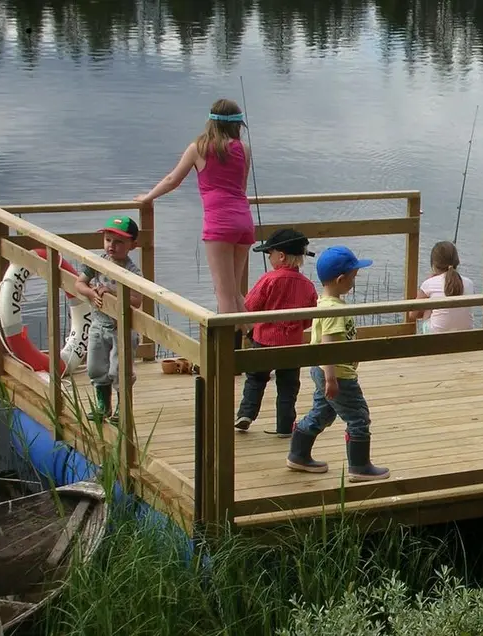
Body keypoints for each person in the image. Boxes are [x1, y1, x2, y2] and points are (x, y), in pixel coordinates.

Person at [134, 98, 254, 350]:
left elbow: (172, 180)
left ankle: (229, 357)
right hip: (243, 221)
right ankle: (259, 340)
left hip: (219, 225)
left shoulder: (198, 148)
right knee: (233, 292)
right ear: (237, 125)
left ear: (210, 121)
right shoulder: (243, 149)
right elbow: (241, 188)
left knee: (223, 294)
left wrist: (148, 197)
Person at [287, 245, 390, 482]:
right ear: (341, 279)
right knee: (358, 416)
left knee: (322, 413)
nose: (354, 281)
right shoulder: (334, 310)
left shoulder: (323, 303)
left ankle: (298, 454)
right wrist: (332, 378)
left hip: (323, 370)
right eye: (353, 277)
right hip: (337, 373)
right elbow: (329, 344)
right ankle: (360, 466)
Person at [234, 228, 318, 438]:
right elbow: (310, 318)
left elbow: (249, 306)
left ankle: (246, 414)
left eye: (269, 253)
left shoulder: (268, 280)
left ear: (280, 256)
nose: (269, 257)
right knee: (288, 386)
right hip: (292, 344)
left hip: (264, 340)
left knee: (255, 378)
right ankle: (284, 426)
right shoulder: (308, 286)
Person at [74, 216, 145, 423]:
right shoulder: (98, 262)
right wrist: (90, 293)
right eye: (107, 240)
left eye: (119, 242)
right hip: (98, 325)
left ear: (133, 245)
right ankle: (103, 405)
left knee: (118, 370)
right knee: (96, 367)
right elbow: (80, 283)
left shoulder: (132, 271)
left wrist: (112, 292)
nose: (111, 246)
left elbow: (137, 300)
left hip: (120, 329)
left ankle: (123, 408)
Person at [406, 240, 474, 333]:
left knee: (429, 306)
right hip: (467, 339)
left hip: (436, 340)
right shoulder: (469, 283)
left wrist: (429, 303)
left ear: (433, 265)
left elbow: (412, 315)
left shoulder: (429, 284)